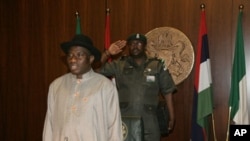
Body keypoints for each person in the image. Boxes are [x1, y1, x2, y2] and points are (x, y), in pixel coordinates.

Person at [43, 34, 123, 141]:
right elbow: (49, 126)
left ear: (90, 59)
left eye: (79, 55)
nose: (73, 59)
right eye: (70, 55)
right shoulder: (56, 86)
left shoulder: (105, 86)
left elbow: (114, 128)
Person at [99, 33, 177, 141]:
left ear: (144, 46)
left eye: (138, 43)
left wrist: (172, 116)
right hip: (125, 122)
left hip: (150, 122)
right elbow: (95, 71)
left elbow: (168, 91)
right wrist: (107, 53)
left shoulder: (156, 65)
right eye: (131, 44)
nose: (135, 46)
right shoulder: (119, 65)